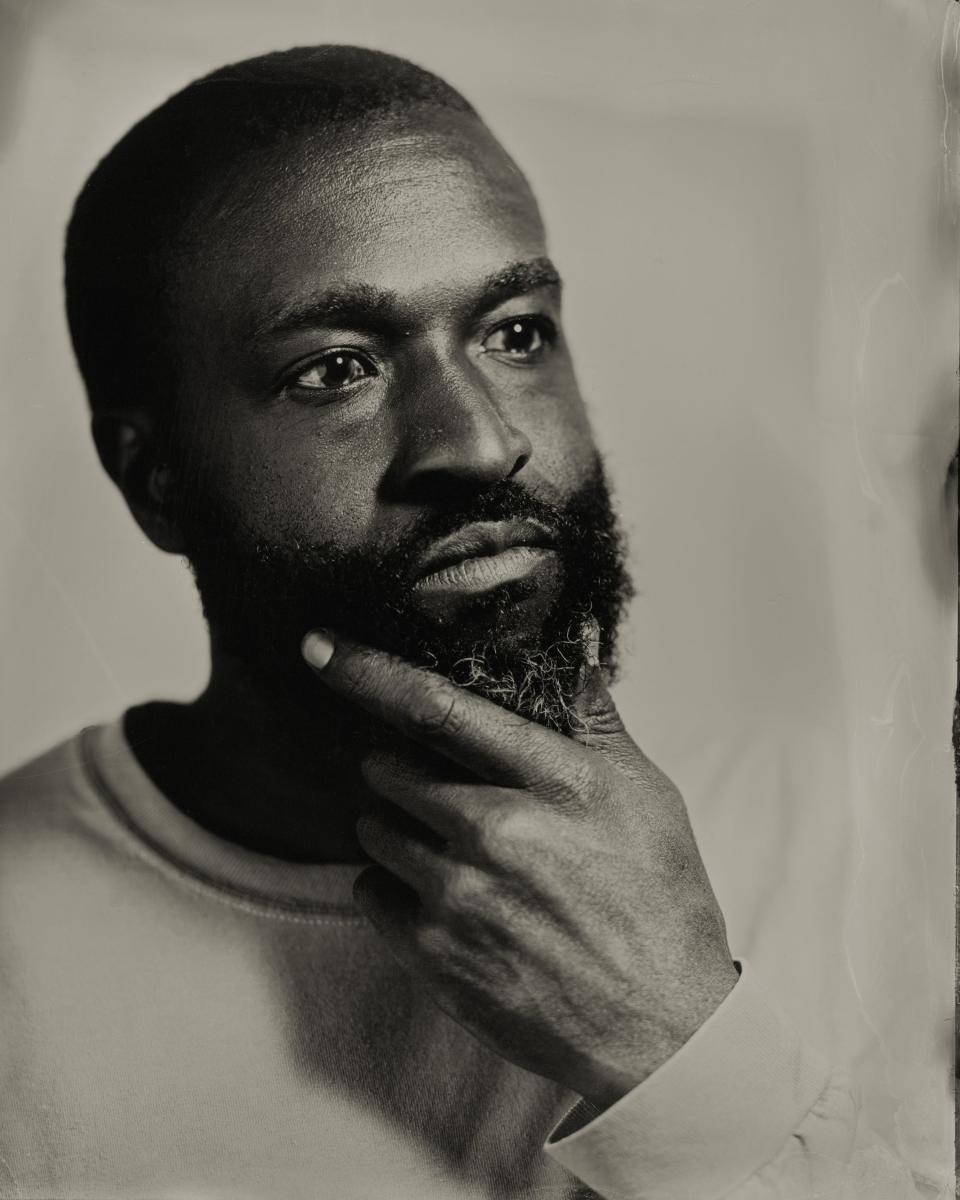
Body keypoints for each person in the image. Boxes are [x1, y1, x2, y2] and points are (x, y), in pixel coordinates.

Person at [0, 45, 938, 1200]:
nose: (485, 443)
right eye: (337, 368)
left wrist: (679, 1045)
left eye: (515, 332)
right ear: (158, 483)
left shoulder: (860, 863)